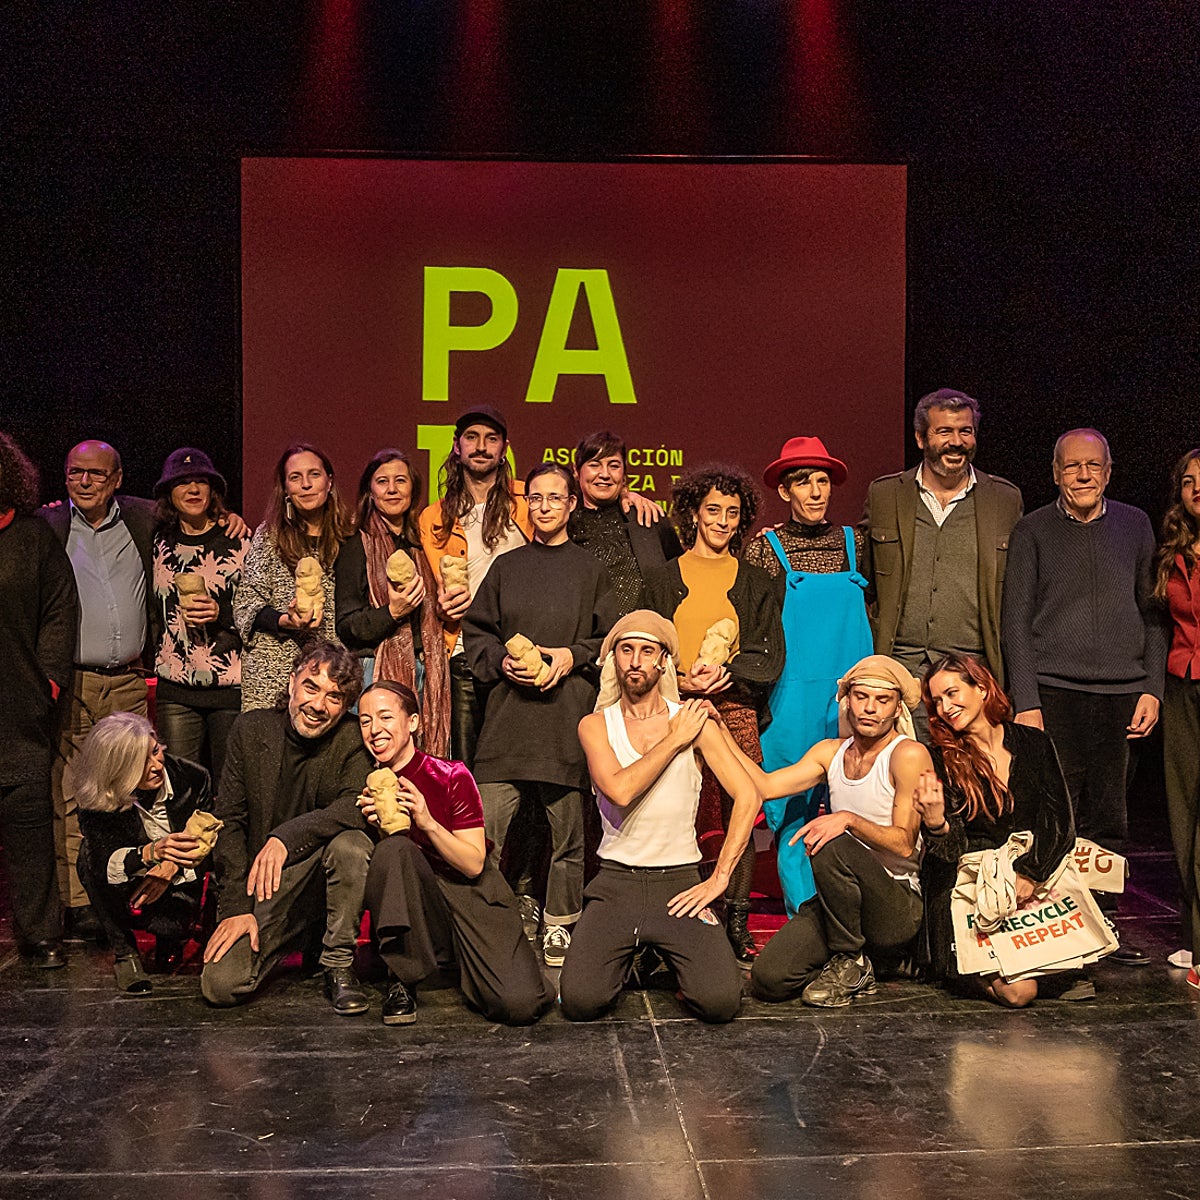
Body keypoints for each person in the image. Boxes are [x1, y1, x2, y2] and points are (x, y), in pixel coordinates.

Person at [1002, 427, 1168, 967]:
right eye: (1072, 466)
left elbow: (1154, 615)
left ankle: (1104, 924)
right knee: (1056, 811)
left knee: (1111, 813)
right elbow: (1015, 622)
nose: (1082, 475)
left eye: (1093, 466)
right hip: (1054, 691)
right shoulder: (1032, 530)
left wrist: (1153, 689)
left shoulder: (1135, 525)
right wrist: (1026, 698)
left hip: (1123, 694)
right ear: (1055, 473)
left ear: (1108, 471)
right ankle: (1057, 925)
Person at [559, 611, 759, 1023]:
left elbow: (748, 794)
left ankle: (660, 950)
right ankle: (635, 954)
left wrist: (719, 878)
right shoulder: (596, 725)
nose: (635, 660)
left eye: (646, 651)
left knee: (721, 1003)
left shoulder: (693, 721)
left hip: (680, 883)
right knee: (580, 1002)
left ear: (664, 661)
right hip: (617, 881)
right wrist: (674, 740)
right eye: (625, 650)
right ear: (614, 660)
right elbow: (620, 790)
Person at [463, 462, 616, 967]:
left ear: (572, 504)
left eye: (556, 498)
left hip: (564, 722)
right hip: (507, 725)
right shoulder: (506, 567)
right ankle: (487, 920)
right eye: (537, 498)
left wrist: (571, 657)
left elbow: (609, 638)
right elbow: (477, 633)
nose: (545, 506)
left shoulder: (590, 569)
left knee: (567, 837)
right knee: (486, 832)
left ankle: (560, 922)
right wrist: (501, 662)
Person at [643, 465, 783, 965]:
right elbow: (644, 643)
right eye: (713, 511)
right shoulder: (661, 579)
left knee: (741, 812)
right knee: (670, 810)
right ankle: (672, 920)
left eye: (732, 513)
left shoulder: (759, 581)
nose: (722, 521)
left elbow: (770, 655)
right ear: (693, 515)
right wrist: (678, 681)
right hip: (673, 704)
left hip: (734, 706)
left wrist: (725, 672)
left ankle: (737, 920)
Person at [738, 655, 931, 1007]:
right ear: (847, 700)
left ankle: (852, 960)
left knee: (831, 839)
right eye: (861, 697)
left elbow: (904, 845)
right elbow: (763, 786)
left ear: (897, 707)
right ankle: (860, 962)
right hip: (840, 904)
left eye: (882, 700)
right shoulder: (830, 753)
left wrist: (849, 820)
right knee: (769, 979)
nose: (870, 708)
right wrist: (716, 733)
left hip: (895, 907)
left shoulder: (907, 754)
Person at [357, 681, 553, 1025]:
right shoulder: (364, 784)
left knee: (519, 1005)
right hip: (419, 903)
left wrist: (428, 822)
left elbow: (474, 863)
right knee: (395, 849)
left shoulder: (450, 775)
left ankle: (483, 966)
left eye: (385, 717)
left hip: (470, 895)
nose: (375, 730)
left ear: (413, 722)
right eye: (364, 720)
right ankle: (401, 978)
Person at [200, 643, 374, 1013]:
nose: (318, 705)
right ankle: (294, 936)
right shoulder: (251, 729)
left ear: (345, 706)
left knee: (351, 844)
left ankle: (337, 964)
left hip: (316, 874)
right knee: (221, 984)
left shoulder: (352, 739)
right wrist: (235, 906)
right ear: (293, 681)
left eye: (334, 697)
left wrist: (286, 837)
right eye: (311, 687)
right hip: (264, 884)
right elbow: (229, 820)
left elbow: (353, 806)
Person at [743, 435, 873, 917]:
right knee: (792, 811)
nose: (816, 491)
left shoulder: (853, 543)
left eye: (822, 481)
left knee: (855, 802)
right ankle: (805, 916)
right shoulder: (764, 549)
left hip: (852, 696)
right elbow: (753, 624)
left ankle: (855, 913)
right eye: (804, 482)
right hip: (792, 696)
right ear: (785, 492)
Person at [915, 654, 1077, 1008]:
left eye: (952, 693)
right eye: (937, 700)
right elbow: (951, 850)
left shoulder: (1034, 743)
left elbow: (1060, 823)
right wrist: (936, 823)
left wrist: (1030, 873)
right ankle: (958, 966)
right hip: (969, 883)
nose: (945, 707)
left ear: (983, 688)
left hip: (1027, 875)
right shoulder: (941, 757)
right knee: (1020, 993)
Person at [860, 388, 1023, 738]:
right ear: (921, 438)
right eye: (944, 432)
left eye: (965, 431)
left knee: (969, 783)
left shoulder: (1004, 499)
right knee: (907, 781)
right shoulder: (886, 495)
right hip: (902, 671)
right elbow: (860, 571)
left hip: (972, 672)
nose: (956, 441)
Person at [0, 431, 76, 968]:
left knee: (28, 825)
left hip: (19, 710)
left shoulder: (32, 538)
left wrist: (47, 681)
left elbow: (59, 611)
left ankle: (40, 933)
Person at [419, 406, 532, 768]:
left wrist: (628, 494)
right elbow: (430, 583)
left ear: (504, 449)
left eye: (491, 439)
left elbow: (580, 501)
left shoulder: (529, 501)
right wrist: (438, 606)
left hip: (520, 651)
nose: (481, 447)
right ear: (456, 446)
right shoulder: (434, 516)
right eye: (472, 437)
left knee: (518, 762)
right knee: (467, 765)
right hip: (463, 652)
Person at [73, 713, 211, 994]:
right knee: (85, 857)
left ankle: (171, 940)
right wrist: (150, 853)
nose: (156, 765)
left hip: (183, 879)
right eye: (141, 762)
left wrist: (170, 866)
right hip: (130, 882)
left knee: (171, 924)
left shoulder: (193, 779)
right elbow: (102, 860)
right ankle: (125, 954)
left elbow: (214, 838)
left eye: (156, 751)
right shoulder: (99, 796)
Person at [335, 448, 450, 754]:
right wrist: (393, 612)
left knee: (421, 760)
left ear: (413, 489)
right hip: (376, 669)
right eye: (382, 481)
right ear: (369, 492)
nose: (392, 489)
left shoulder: (423, 545)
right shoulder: (355, 544)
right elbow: (347, 626)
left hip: (428, 669)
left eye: (400, 480)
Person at [151, 448, 246, 783]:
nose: (192, 490)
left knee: (230, 787)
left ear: (212, 490)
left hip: (229, 686)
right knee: (180, 786)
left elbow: (258, 607)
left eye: (200, 482)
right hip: (176, 688)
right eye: (182, 482)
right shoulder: (158, 538)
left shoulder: (239, 539)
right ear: (168, 493)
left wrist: (221, 613)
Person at [235, 443, 352, 712]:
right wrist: (285, 621)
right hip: (272, 670)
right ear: (285, 488)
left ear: (329, 481)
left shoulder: (350, 534)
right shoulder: (270, 535)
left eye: (314, 475)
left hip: (330, 672)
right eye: (295, 478)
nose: (306, 485)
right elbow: (246, 602)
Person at [1152, 447, 1200, 988]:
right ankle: (1194, 935)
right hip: (1183, 683)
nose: (1197, 487)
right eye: (1188, 480)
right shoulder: (1173, 551)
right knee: (1183, 812)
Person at [569, 430, 681, 618]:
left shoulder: (648, 518)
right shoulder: (565, 523)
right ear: (576, 470)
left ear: (624, 474)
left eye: (614, 466)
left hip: (642, 638)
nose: (604, 474)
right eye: (594, 465)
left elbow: (678, 578)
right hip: (584, 640)